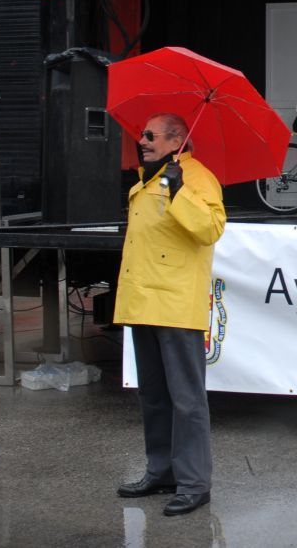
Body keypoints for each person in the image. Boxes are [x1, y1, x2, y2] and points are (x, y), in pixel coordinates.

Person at [113, 112, 226, 517]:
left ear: (177, 140)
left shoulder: (196, 178)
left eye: (150, 135)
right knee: (154, 397)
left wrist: (179, 191)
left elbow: (211, 228)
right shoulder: (147, 178)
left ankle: (194, 484)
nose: (142, 141)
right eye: (142, 134)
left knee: (186, 400)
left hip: (176, 306)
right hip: (143, 302)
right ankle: (161, 471)